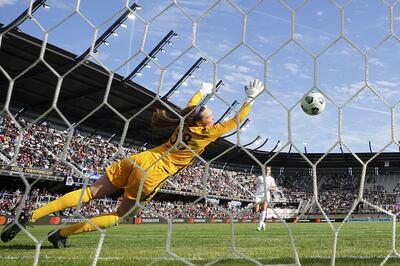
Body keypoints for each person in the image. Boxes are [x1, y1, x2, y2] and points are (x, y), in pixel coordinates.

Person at [1, 79, 264, 248]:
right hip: (153, 172)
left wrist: (202, 92)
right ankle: (61, 234)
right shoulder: (208, 133)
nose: (214, 115)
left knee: (90, 192)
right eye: (211, 114)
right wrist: (250, 99)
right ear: (204, 123)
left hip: (139, 158)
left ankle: (30, 215)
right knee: (120, 216)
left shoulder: (185, 120)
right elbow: (235, 121)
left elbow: (190, 107)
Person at [253, 165, 277, 231]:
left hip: (266, 195)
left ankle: (260, 224)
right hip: (258, 195)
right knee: (256, 210)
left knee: (264, 208)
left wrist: (271, 188)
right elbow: (254, 185)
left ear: (270, 171)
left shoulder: (271, 179)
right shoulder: (259, 177)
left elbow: (275, 188)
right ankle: (263, 223)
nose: (267, 171)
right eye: (266, 169)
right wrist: (253, 181)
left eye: (268, 169)